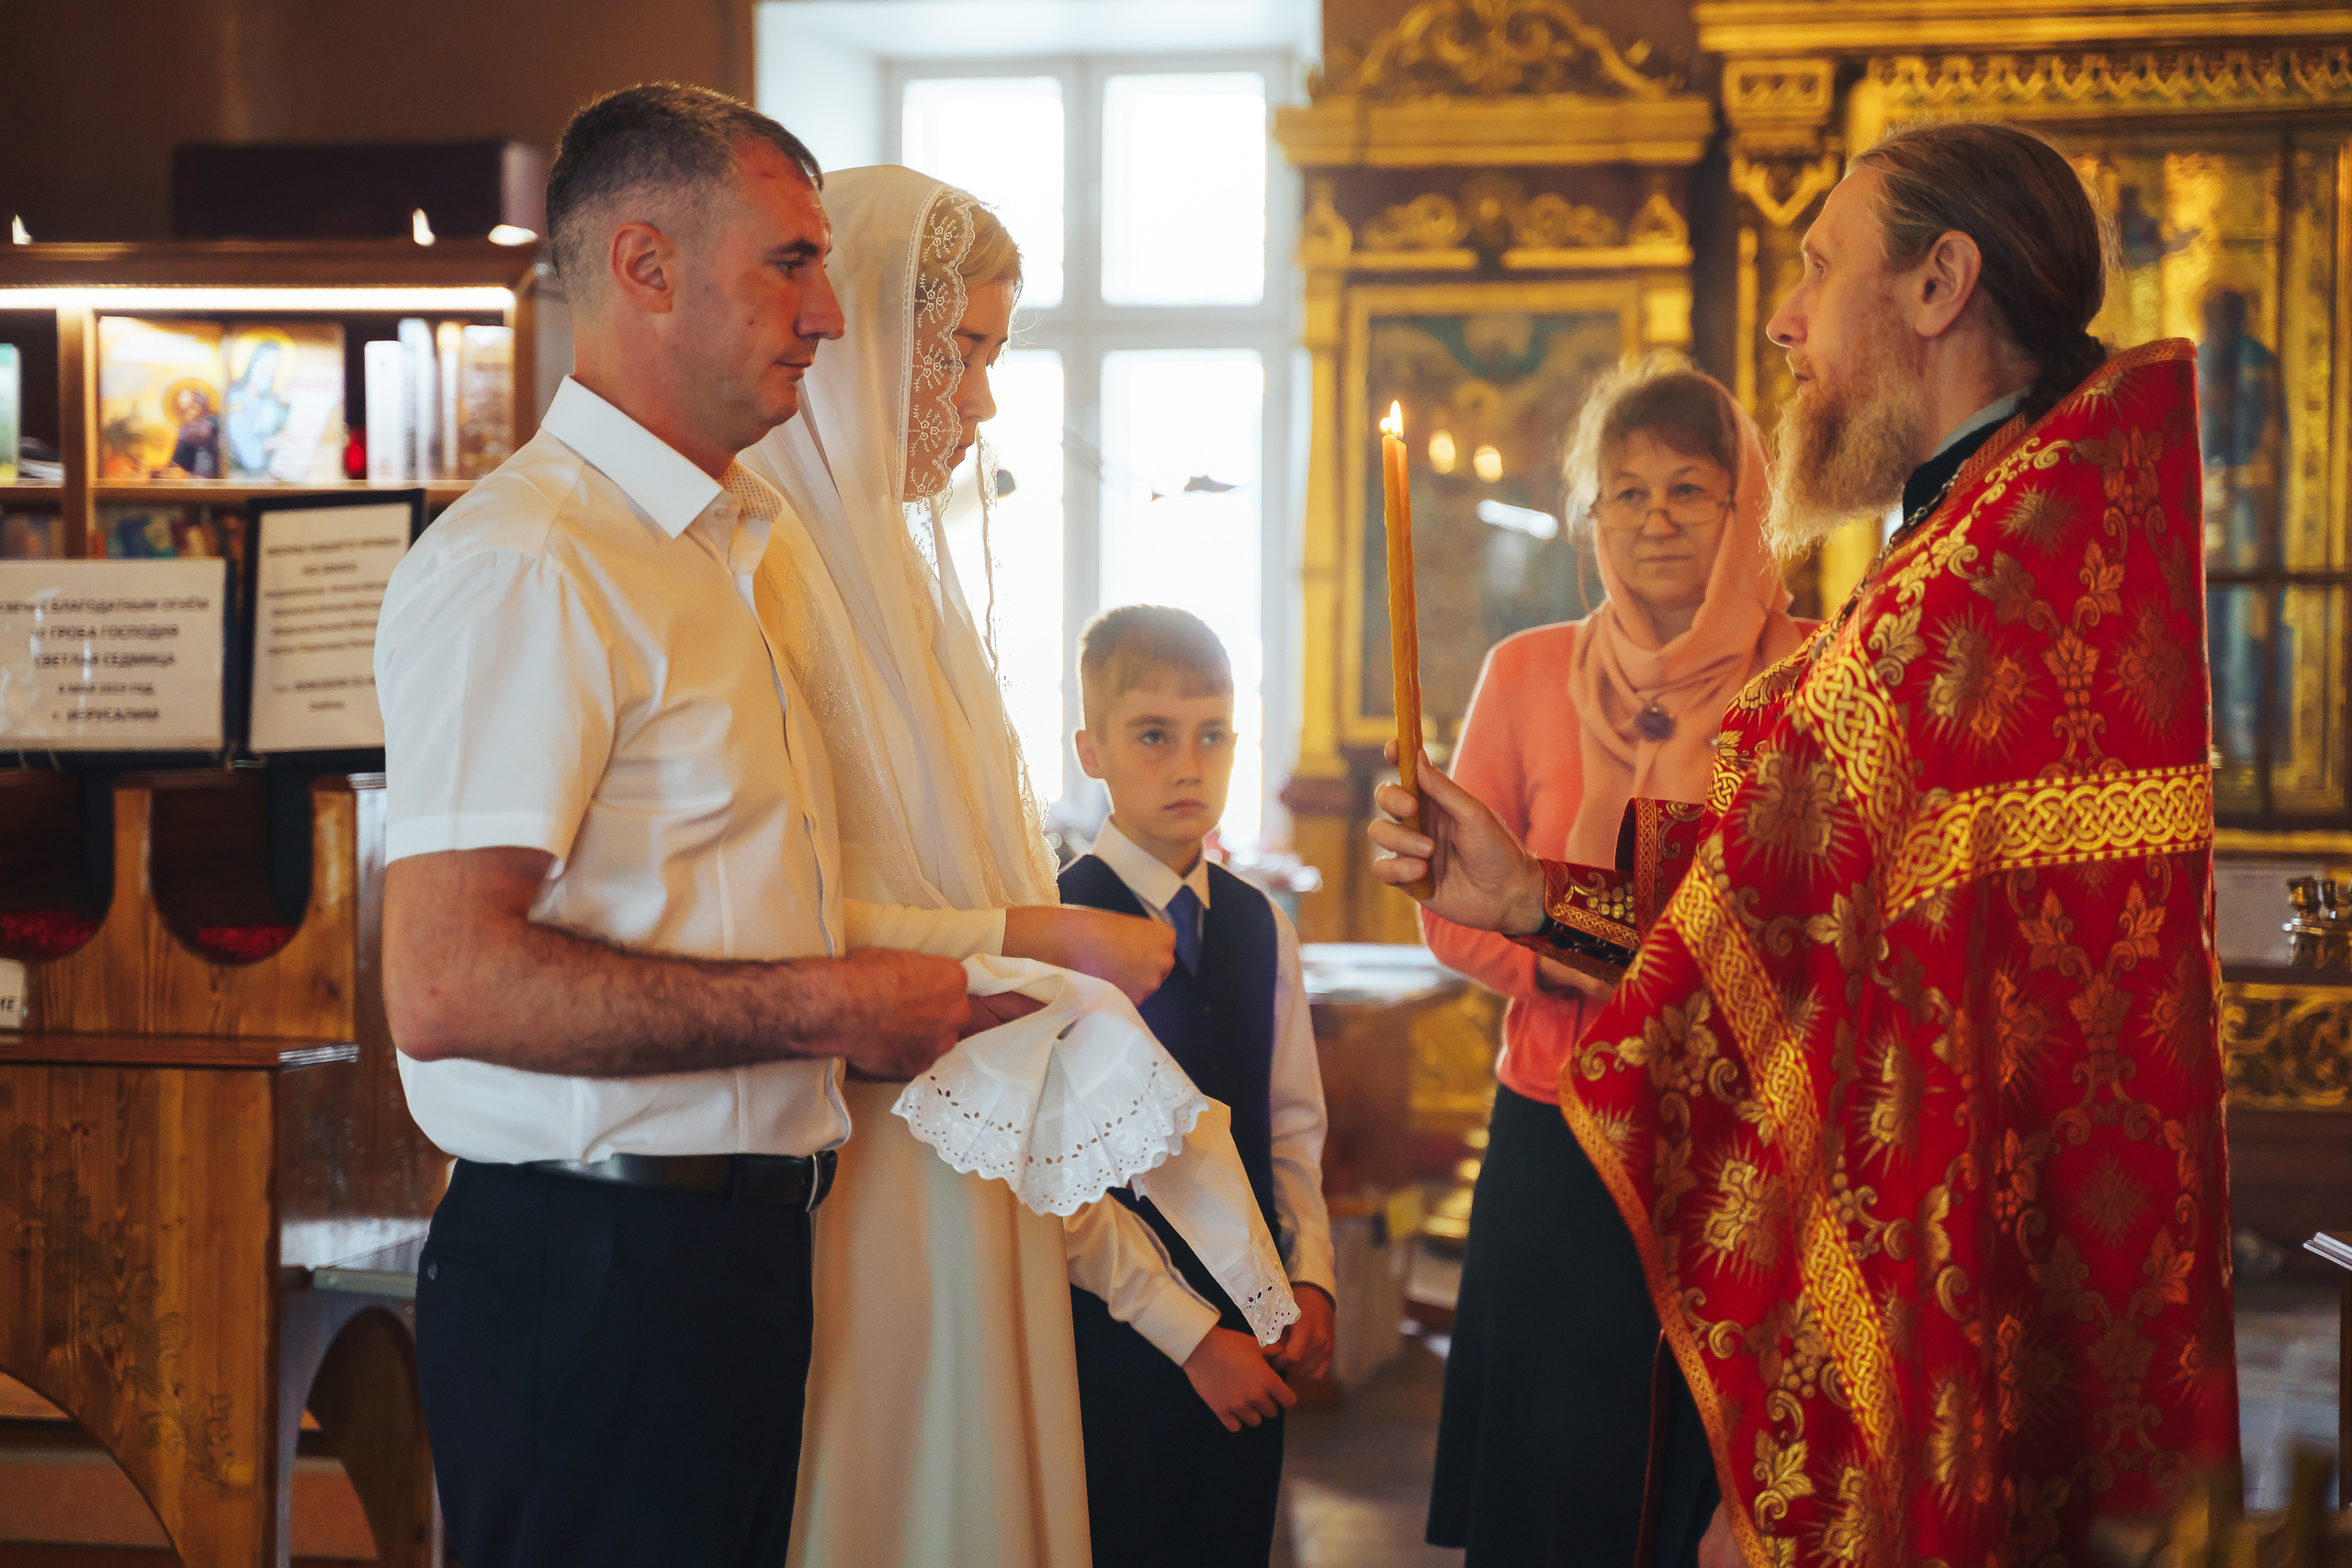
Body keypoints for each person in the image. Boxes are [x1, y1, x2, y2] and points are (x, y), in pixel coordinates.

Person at [1367, 119, 2237, 1568]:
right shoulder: (2006, 532)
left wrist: (1541, 902)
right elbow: (1797, 911)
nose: (1784, 321)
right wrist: (1529, 897)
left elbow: (1791, 938)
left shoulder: (1965, 590)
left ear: (1940, 283)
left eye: (1819, 268)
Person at [375, 86, 978, 1568]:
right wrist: (831, 1005)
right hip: (593, 1260)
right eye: (790, 262)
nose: (828, 313)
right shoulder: (536, 560)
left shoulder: (716, 548)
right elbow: (450, 984)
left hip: (723, 1249)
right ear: (645, 266)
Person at [739, 167, 1296, 1568]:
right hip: (871, 1154)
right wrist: (1046, 936)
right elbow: (791, 918)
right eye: (962, 354)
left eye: (994, 356)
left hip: (993, 1164)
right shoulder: (770, 572)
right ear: (868, 343)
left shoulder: (910, 582)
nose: (981, 401)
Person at [1421, 360, 1808, 1568]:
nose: (1653, 518)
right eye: (1625, 491)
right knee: (1550, 1480)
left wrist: (1572, 928)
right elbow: (1454, 912)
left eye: (1688, 489)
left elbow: (1803, 924)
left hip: (1735, 1143)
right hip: (1559, 1129)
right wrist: (1579, 966)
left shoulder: (1811, 673)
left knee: (1710, 1473)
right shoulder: (1525, 670)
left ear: (1746, 507)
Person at [1055, 604, 1337, 1568]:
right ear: (1091, 751)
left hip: (1256, 1330)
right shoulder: (1057, 922)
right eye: (1153, 736)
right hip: (1114, 1335)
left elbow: (1290, 1123)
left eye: (1212, 735)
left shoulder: (1261, 924)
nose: (1188, 765)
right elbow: (1053, 1175)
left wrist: (1310, 1273)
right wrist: (1190, 1336)